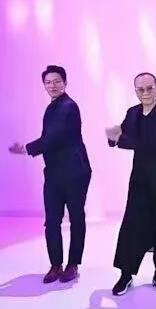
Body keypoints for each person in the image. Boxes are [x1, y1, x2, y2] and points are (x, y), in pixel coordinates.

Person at [8, 65, 92, 284]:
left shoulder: (68, 106)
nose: (52, 85)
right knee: (52, 221)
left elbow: (54, 137)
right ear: (44, 85)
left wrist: (26, 148)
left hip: (75, 171)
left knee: (76, 218)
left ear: (65, 83)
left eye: (57, 81)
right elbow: (50, 139)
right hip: (54, 173)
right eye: (48, 82)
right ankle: (56, 265)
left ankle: (72, 264)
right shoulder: (52, 107)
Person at [106, 72, 156, 296]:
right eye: (141, 89)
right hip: (140, 179)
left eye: (150, 88)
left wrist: (122, 140)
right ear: (135, 91)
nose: (146, 93)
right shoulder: (133, 112)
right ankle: (126, 274)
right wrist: (113, 137)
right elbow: (121, 135)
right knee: (133, 227)